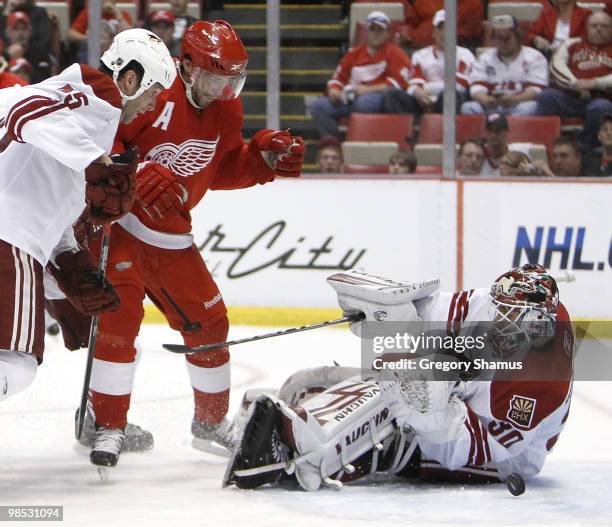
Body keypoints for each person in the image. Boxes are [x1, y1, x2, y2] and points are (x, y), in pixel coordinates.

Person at [80, 20, 305, 468]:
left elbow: (216, 170)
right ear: (187, 67)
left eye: (232, 79)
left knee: (210, 321)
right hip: (119, 226)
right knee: (119, 320)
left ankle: (209, 423)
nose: (225, 89)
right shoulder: (153, 91)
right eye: (217, 77)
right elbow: (105, 135)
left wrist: (261, 160)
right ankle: (107, 424)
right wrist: (135, 172)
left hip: (171, 235)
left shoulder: (227, 111)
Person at [224, 265, 574, 492]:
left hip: (500, 453)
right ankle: (278, 423)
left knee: (395, 435)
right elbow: (436, 313)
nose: (499, 320)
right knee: (311, 382)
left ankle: (292, 462)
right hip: (468, 392)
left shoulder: (541, 382)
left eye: (510, 318)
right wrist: (390, 316)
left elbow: (472, 447)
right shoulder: (501, 302)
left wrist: (416, 404)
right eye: (500, 312)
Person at [0, 29, 176, 404]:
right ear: (131, 78)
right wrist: (96, 161)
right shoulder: (96, 94)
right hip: (8, 237)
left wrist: (69, 263)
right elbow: (23, 110)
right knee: (14, 363)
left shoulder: (93, 115)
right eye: (153, 92)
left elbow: (48, 191)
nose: (152, 105)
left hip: (18, 238)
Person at [308, 11, 411, 139]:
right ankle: (333, 146)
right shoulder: (353, 54)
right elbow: (338, 78)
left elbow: (398, 84)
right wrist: (335, 91)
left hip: (377, 99)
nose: (376, 34)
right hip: (349, 98)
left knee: (363, 103)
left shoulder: (396, 53)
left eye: (380, 30)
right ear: (366, 32)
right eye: (373, 29)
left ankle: (356, 142)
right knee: (319, 106)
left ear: (387, 33)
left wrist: (366, 90)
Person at [537, 11, 612, 152]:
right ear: (586, 27)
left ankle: (584, 150)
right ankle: (548, 147)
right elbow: (556, 66)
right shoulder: (572, 43)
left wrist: (595, 83)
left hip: (601, 97)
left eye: (604, 26)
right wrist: (575, 84)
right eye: (594, 25)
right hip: (570, 95)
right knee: (546, 96)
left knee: (601, 107)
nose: (599, 29)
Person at [381, 10, 475, 116]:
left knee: (450, 95)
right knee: (391, 94)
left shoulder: (465, 55)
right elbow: (413, 84)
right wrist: (418, 92)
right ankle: (404, 131)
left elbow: (459, 86)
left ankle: (443, 131)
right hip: (422, 102)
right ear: (433, 32)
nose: (444, 33)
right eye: (440, 28)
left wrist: (425, 88)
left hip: (449, 103)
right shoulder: (420, 55)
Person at [461, 15, 548, 117]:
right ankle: (483, 133)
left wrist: (515, 100)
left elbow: (536, 90)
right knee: (468, 107)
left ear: (517, 36)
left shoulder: (535, 57)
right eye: (499, 38)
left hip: (519, 104)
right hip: (492, 106)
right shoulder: (484, 58)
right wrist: (486, 100)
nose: (503, 43)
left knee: (531, 107)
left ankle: (514, 132)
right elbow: (476, 87)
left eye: (507, 38)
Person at [67, 0, 133, 63]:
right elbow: (71, 34)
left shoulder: (123, 15)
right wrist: (91, 39)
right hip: (92, 52)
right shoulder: (88, 13)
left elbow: (131, 35)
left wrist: (118, 15)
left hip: (116, 53)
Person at [401, 0, 483, 48]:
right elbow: (411, 22)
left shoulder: (473, 4)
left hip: (455, 51)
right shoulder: (423, 1)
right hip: (417, 49)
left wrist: (441, 33)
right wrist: (409, 34)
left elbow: (471, 33)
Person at [3, 11, 52, 83]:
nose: (20, 33)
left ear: (30, 31)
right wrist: (10, 58)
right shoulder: (3, 53)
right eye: (15, 29)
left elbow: (46, 79)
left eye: (23, 28)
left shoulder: (40, 52)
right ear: (7, 32)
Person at [527, 0, 591, 53]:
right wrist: (537, 39)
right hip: (550, 52)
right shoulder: (546, 13)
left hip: (574, 53)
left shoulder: (586, 14)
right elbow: (531, 33)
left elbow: (587, 38)